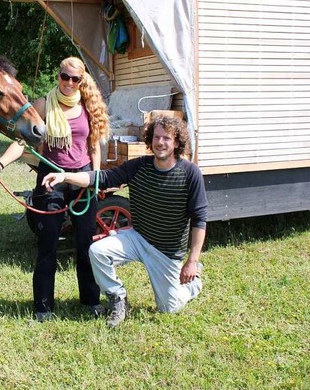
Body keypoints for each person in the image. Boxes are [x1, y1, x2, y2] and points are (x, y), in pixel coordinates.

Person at [41, 113, 207, 328]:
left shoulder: (190, 173)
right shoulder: (139, 166)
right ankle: (117, 298)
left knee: (169, 307)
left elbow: (200, 219)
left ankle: (193, 285)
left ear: (176, 142)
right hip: (138, 238)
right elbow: (101, 179)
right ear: (150, 140)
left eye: (167, 138)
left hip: (167, 251)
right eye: (156, 137)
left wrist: (192, 261)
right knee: (97, 251)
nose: (160, 143)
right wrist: (65, 176)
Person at [0, 57, 109, 322]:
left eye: (76, 79)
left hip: (82, 179)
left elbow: (94, 145)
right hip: (51, 178)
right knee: (48, 244)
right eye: (65, 77)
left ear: (81, 80)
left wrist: (95, 178)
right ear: (58, 75)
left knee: (86, 244)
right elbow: (22, 141)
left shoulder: (88, 106)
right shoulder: (43, 104)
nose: (70, 83)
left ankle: (91, 300)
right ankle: (43, 307)